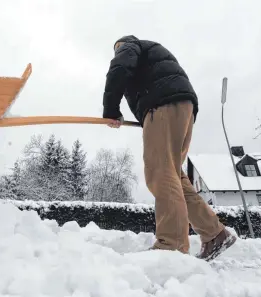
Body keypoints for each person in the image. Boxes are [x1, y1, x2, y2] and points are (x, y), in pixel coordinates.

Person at [102, 35, 237, 261]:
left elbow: (119, 67)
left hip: (162, 105)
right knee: (175, 176)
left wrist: (110, 109)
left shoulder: (128, 47)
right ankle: (215, 234)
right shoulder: (152, 55)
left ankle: (171, 247)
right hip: (183, 107)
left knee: (160, 172)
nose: (117, 52)